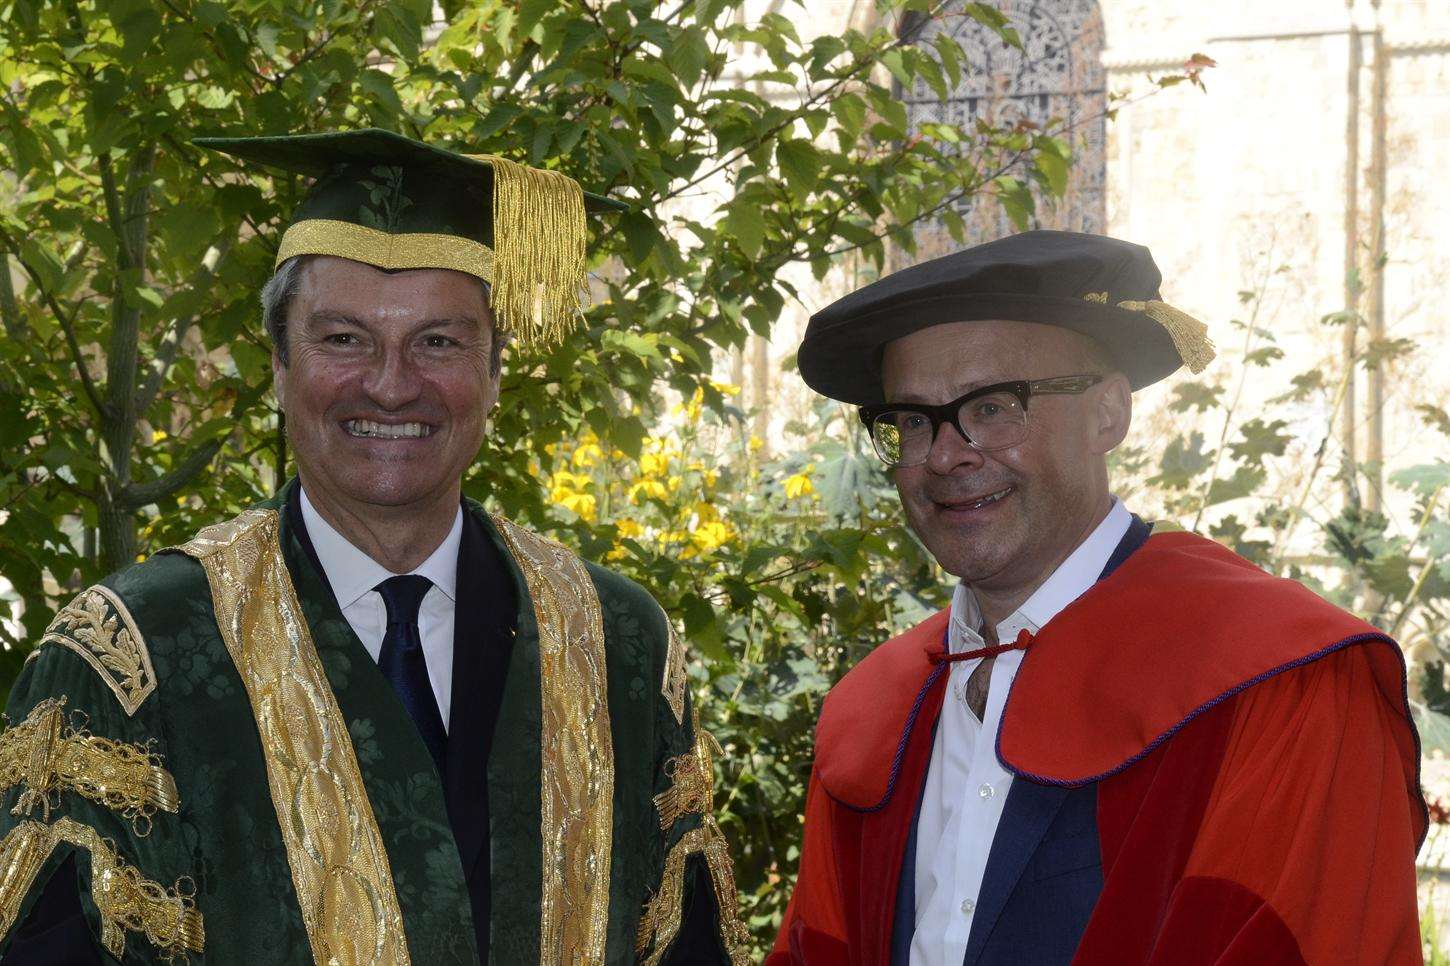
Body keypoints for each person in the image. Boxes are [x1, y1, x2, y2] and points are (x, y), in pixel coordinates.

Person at [0, 129, 749, 965]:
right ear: (280, 367)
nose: (391, 385)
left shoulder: (617, 642)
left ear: (497, 372)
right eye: (344, 338)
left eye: (440, 341)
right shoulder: (133, 656)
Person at [768, 230, 1426, 965]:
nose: (947, 455)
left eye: (993, 407)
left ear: (1108, 416)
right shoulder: (875, 711)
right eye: (914, 421)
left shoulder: (1280, 682)